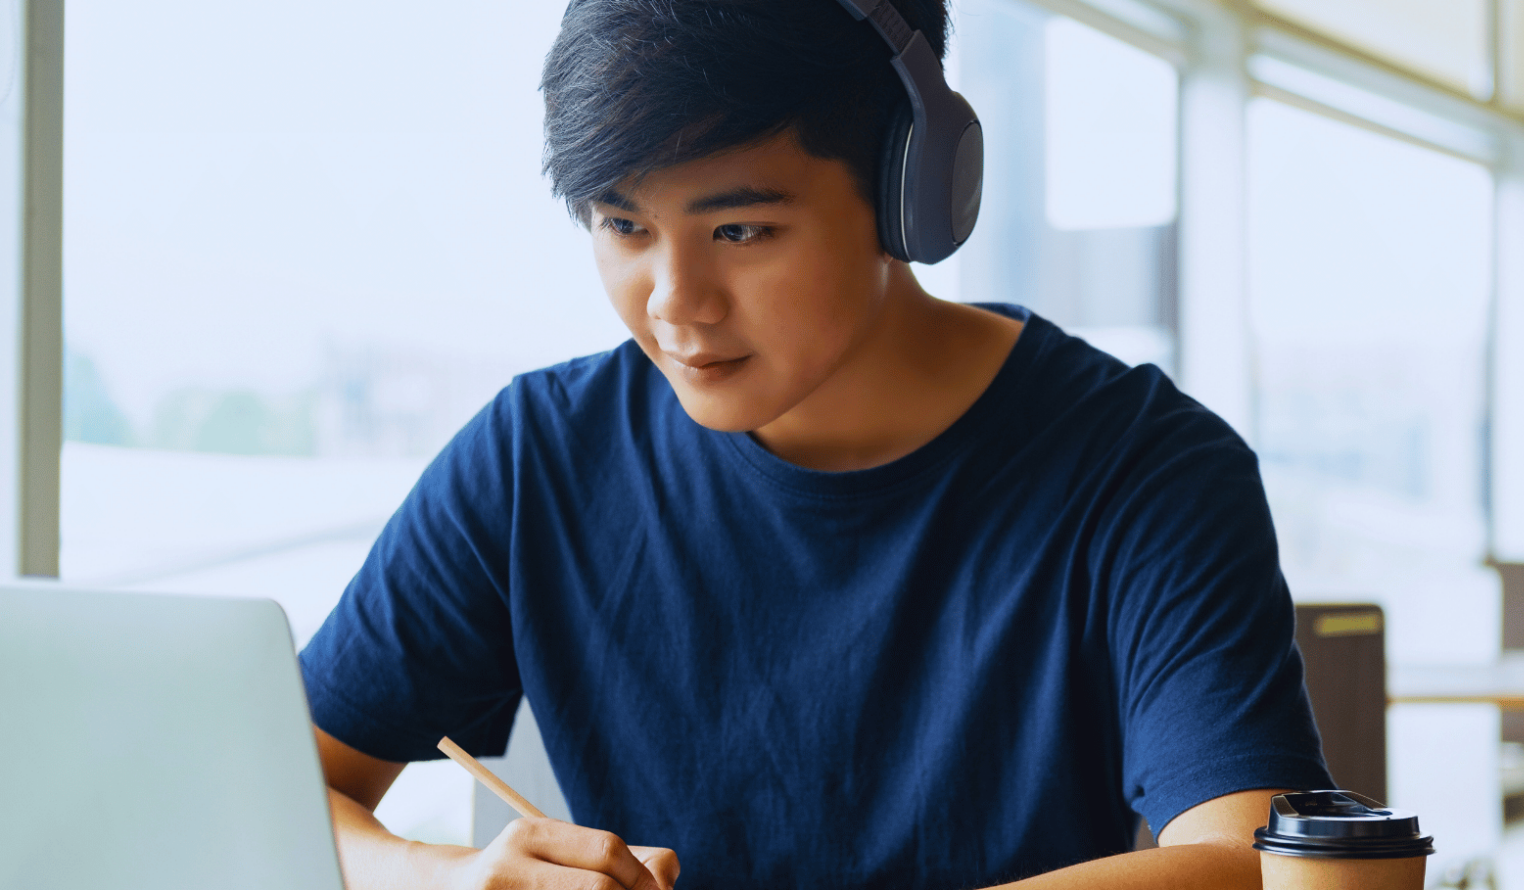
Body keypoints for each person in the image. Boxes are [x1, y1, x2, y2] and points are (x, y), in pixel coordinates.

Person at [300, 1, 1336, 888]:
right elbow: (275, 779)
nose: (673, 304)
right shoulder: (535, 457)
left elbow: (1251, 857)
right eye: (622, 226)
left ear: (911, 191)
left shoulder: (1144, 468)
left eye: (739, 230)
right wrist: (442, 874)